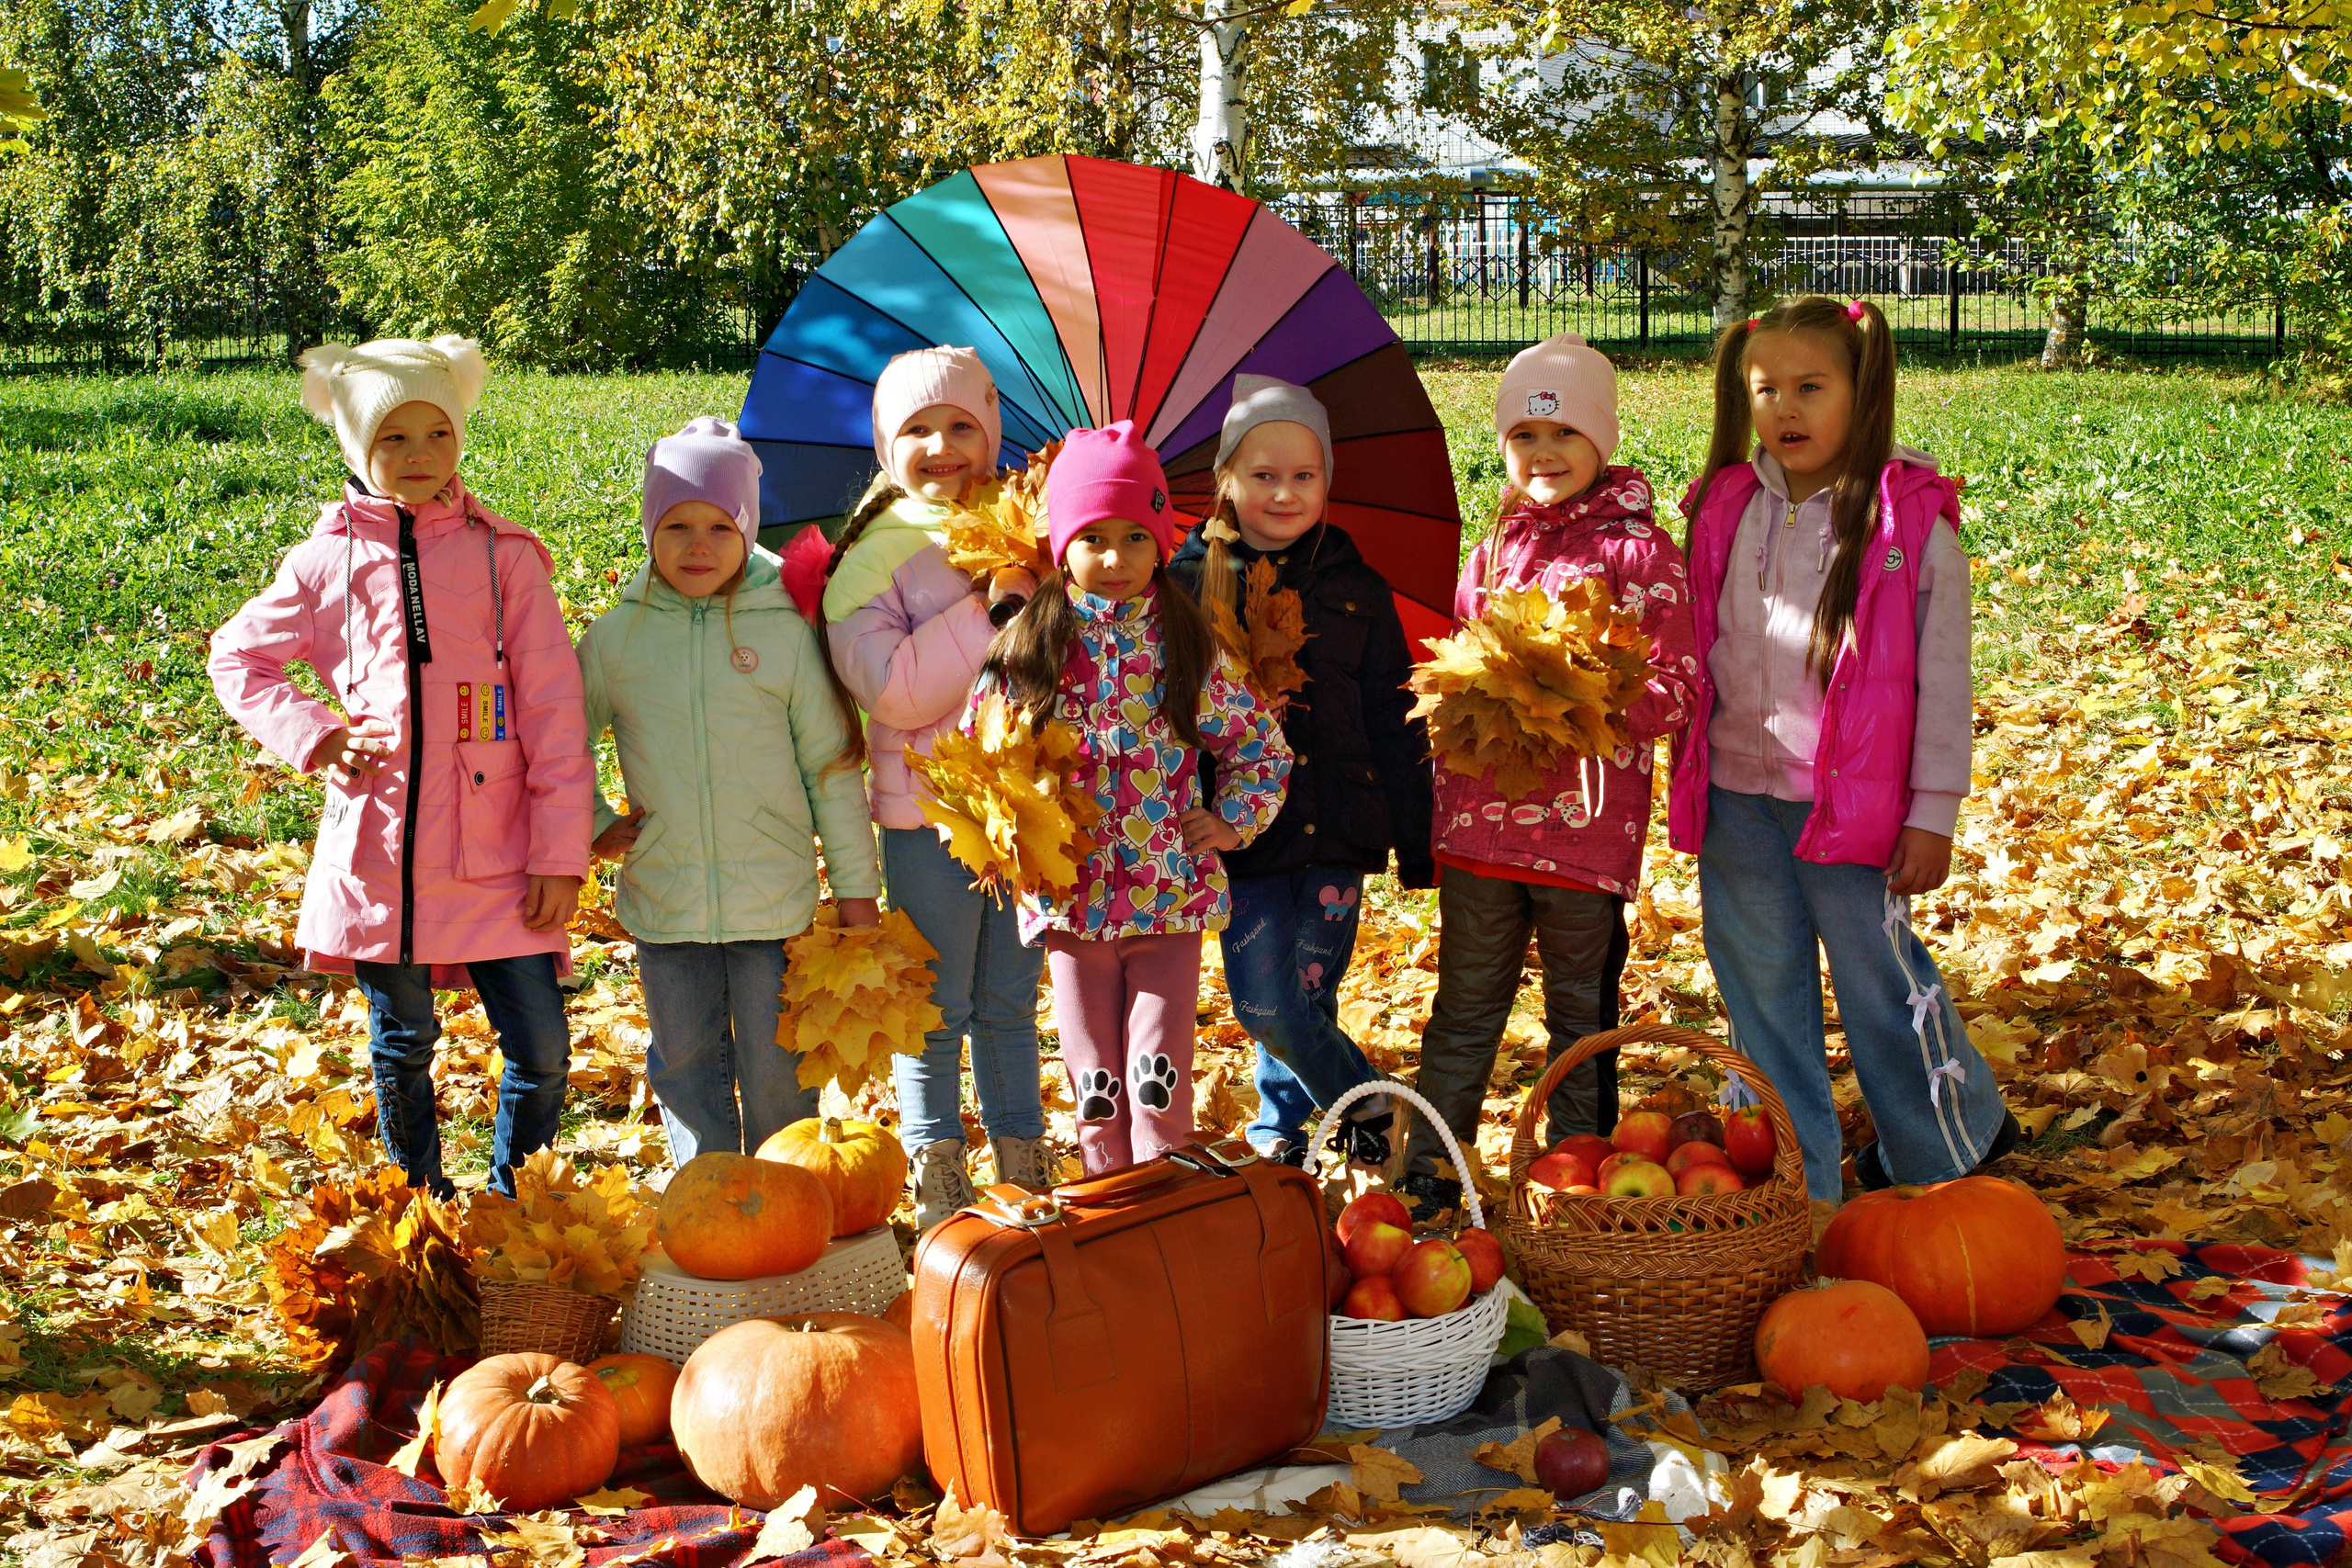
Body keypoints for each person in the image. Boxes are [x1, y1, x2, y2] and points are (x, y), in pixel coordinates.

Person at [209, 336, 592, 1200]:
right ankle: (418, 1207)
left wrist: (561, 853)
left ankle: (512, 1207)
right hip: (383, 854)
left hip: (502, 854)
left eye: (438, 435)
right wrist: (314, 733)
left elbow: (555, 714)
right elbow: (239, 659)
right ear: (355, 446)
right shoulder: (324, 561)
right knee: (402, 1044)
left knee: (541, 1050)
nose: (420, 457)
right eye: (393, 439)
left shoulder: (507, 558)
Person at [1671, 296, 2019, 1208]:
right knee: (1759, 1001)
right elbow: (1687, 648)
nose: (1785, 408)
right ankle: (1800, 1192)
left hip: (1857, 816)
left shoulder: (1907, 523)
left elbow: (1940, 681)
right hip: (1738, 803)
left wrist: (1931, 811)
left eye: (1810, 388)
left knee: (1881, 992)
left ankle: (1950, 1153)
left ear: (1860, 395)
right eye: (1766, 389)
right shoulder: (1720, 508)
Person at [1402, 333, 1700, 1220]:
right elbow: (1462, 652)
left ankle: (1576, 1169)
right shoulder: (1495, 548)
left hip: (1582, 832)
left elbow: (1677, 686)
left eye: (1564, 434)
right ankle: (1431, 1167)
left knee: (1581, 1018)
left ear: (1602, 444)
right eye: (1525, 438)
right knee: (1464, 1007)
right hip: (1482, 830)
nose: (1544, 455)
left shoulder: (1639, 555)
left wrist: (1586, 696)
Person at [976, 422, 1291, 1176]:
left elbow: (1261, 748)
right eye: (1093, 538)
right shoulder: (1030, 648)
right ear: (1061, 548)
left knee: (1158, 1076)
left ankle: (1162, 1193)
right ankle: (1108, 1198)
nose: (1115, 559)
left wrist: (1230, 821)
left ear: (1159, 541)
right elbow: (978, 758)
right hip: (1071, 896)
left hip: (1168, 890)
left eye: (1136, 537)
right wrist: (1013, 830)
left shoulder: (1187, 646)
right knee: (1096, 1084)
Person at [577, 418, 883, 1168]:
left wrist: (855, 890)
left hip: (773, 901)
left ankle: (786, 1189)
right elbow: (559, 741)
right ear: (650, 528)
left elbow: (832, 767)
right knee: (683, 1064)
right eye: (676, 524)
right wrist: (592, 821)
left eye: (720, 525)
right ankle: (707, 1197)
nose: (697, 544)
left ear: (748, 531)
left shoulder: (784, 634)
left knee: (778, 1067)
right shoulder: (617, 638)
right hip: (664, 897)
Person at [809, 348, 1049, 1226]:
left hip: (1022, 808)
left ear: (991, 434)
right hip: (926, 814)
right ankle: (933, 1156)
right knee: (937, 999)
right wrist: (992, 609)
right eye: (917, 429)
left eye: (963, 426)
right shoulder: (874, 557)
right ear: (886, 444)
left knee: (1010, 997)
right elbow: (899, 689)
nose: (943, 445)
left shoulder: (1030, 530)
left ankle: (1023, 1149)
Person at [1167, 376, 1432, 1170]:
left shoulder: (1357, 588)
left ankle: (1282, 1133)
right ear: (1224, 480)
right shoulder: (1184, 585)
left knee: (1309, 993)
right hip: (1240, 837)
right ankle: (1371, 1103)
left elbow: (1395, 715)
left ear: (1327, 482)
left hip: (1334, 830)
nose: (1283, 493)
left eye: (1303, 476)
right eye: (1262, 475)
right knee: (1264, 1001)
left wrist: (1416, 840)